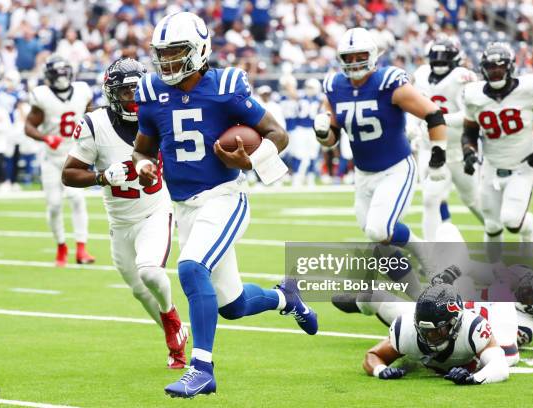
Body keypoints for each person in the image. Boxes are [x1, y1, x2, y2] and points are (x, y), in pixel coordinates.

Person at [132, 11, 318, 398]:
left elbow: (276, 134)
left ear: (199, 50)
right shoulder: (151, 93)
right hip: (184, 206)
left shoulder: (226, 87)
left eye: (176, 52)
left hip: (223, 197)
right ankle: (287, 297)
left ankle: (202, 368)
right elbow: (142, 151)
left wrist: (253, 160)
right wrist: (145, 167)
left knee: (191, 268)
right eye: (162, 54)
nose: (167, 61)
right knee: (231, 305)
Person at [62, 58, 188, 369]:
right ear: (112, 93)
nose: (132, 98)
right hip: (119, 222)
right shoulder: (95, 124)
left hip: (155, 211)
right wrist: (101, 177)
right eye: (125, 92)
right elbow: (69, 174)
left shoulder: (162, 115)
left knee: (149, 271)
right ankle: (176, 340)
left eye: (136, 91)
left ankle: (171, 318)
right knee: (138, 290)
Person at [314, 28, 449, 288]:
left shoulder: (389, 83)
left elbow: (433, 113)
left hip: (395, 169)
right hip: (363, 175)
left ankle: (428, 257)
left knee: (380, 230)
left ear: (373, 55)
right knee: (379, 239)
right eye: (349, 57)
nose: (354, 62)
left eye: (360, 56)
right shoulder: (334, 87)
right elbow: (331, 138)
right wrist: (322, 134)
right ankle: (420, 295)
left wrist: (438, 153)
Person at [462, 42, 533, 262]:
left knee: (512, 221)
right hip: (491, 167)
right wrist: (468, 151)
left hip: (522, 165)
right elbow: (470, 131)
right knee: (492, 225)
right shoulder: (474, 95)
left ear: (510, 67)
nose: (495, 71)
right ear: (483, 69)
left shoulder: (528, 88)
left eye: (500, 67)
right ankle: (493, 274)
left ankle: (530, 233)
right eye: (490, 67)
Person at [25, 55, 95, 267]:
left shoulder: (82, 91)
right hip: (51, 157)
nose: (63, 78)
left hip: (74, 154)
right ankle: (61, 245)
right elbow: (28, 126)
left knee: (77, 199)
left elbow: (93, 118)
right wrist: (46, 137)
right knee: (55, 205)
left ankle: (82, 248)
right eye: (59, 74)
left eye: (65, 73)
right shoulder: (42, 96)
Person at [363, 284, 510, 385]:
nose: (431, 337)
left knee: (511, 355)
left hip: (489, 315)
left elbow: (501, 367)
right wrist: (380, 370)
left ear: (456, 322)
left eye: (438, 330)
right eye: (425, 331)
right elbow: (373, 355)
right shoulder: (405, 330)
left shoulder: (472, 329)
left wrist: (473, 378)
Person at [411, 36, 484, 241]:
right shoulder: (421, 75)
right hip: (432, 148)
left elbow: (470, 116)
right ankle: (432, 255)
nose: (439, 65)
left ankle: (494, 233)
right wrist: (415, 128)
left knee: (473, 200)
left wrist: (437, 120)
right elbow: (413, 108)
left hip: (458, 150)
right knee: (430, 200)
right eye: (436, 60)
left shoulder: (462, 78)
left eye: (444, 60)